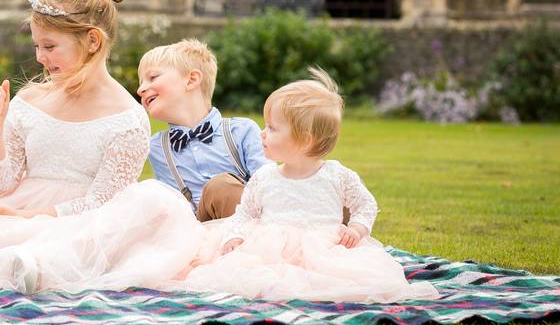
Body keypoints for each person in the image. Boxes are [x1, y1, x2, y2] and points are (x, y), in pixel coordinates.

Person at [0, 0, 201, 293]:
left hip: (82, 220)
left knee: (131, 217)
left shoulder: (127, 118)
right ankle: (29, 263)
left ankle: (36, 264)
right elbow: (0, 186)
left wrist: (31, 218)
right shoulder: (30, 102)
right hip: (22, 210)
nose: (40, 57)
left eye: (50, 46)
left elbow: (103, 202)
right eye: (36, 46)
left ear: (92, 41)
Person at [170, 68, 439, 303]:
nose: (262, 134)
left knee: (341, 279)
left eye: (273, 129)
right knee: (249, 274)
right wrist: (235, 235)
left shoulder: (337, 175)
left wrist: (357, 228)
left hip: (322, 248)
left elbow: (365, 204)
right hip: (269, 248)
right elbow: (245, 213)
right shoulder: (265, 178)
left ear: (305, 140)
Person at [137, 39, 269, 221]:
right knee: (149, 195)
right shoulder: (157, 147)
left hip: (247, 223)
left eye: (152, 77)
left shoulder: (241, 130)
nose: (140, 89)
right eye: (141, 82)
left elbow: (268, 185)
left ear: (192, 80)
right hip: (195, 230)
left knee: (220, 187)